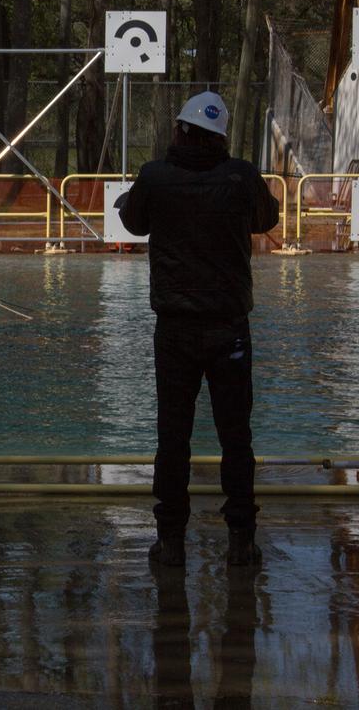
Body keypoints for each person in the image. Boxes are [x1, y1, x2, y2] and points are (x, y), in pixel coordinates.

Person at [118, 91, 280, 569]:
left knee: (173, 438)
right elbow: (266, 218)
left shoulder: (155, 178)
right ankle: (241, 542)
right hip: (230, 327)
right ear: (221, 135)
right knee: (237, 438)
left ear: (180, 129)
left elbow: (132, 222)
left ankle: (170, 544)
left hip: (175, 329)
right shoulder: (240, 176)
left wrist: (139, 199)